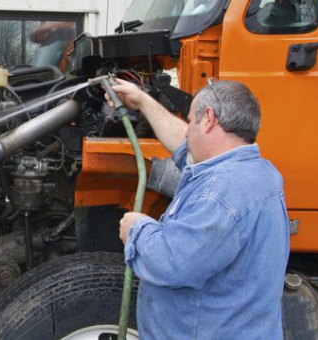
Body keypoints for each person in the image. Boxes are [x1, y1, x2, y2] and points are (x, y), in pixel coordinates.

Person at [108, 77, 289, 340]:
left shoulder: (220, 193)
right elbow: (184, 145)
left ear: (209, 118)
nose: (187, 130)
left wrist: (137, 229)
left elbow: (171, 262)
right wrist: (142, 102)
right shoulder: (256, 173)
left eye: (191, 120)